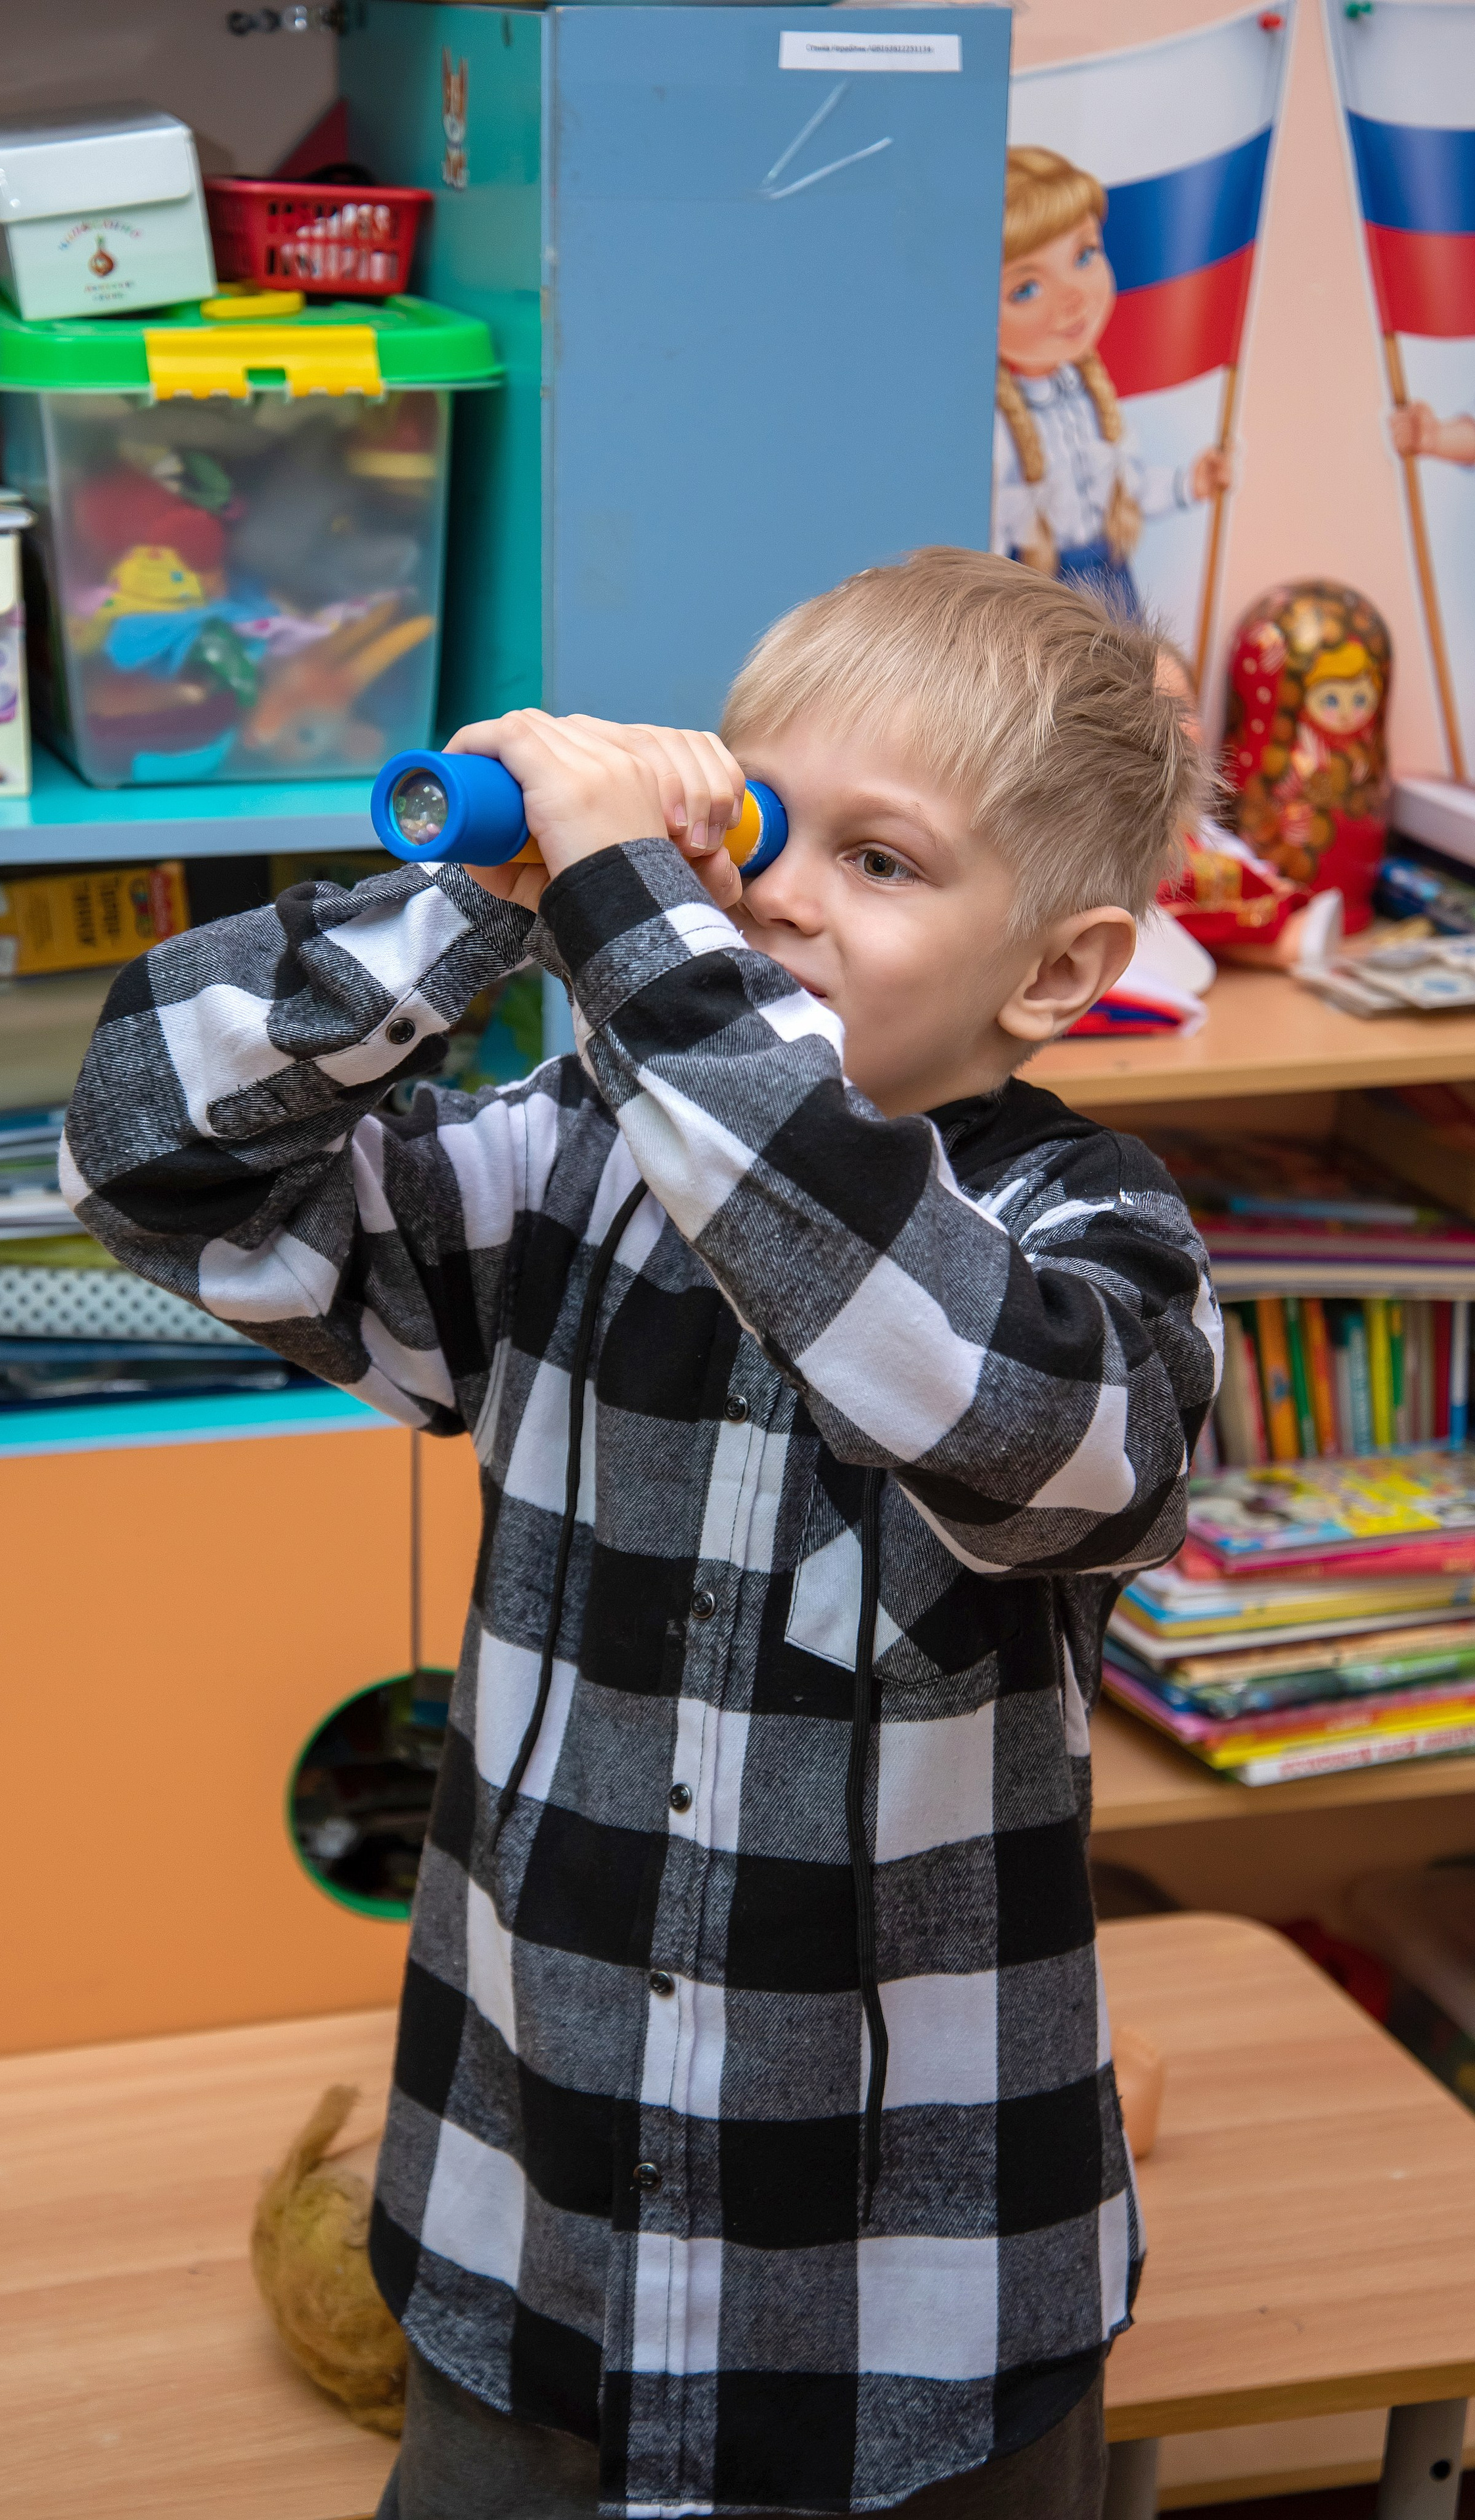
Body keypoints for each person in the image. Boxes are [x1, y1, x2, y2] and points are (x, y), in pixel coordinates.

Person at [60, 547, 1219, 2520]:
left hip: (907, 2324)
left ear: (1051, 968)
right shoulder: (567, 1178)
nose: (770, 892)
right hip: (531, 2250)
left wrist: (641, 926)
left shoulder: (1096, 1261)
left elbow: (954, 1373)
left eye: (881, 863)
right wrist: (476, 909)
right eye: (753, 822)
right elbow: (140, 1154)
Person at [994, 145, 1231, 616]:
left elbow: (1128, 487)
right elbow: (992, 536)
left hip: (1112, 576)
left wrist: (1190, 484)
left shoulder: (1089, 395)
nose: (1073, 298)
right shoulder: (998, 431)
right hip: (1039, 593)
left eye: (1084, 256)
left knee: (1126, 677)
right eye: (1026, 289)